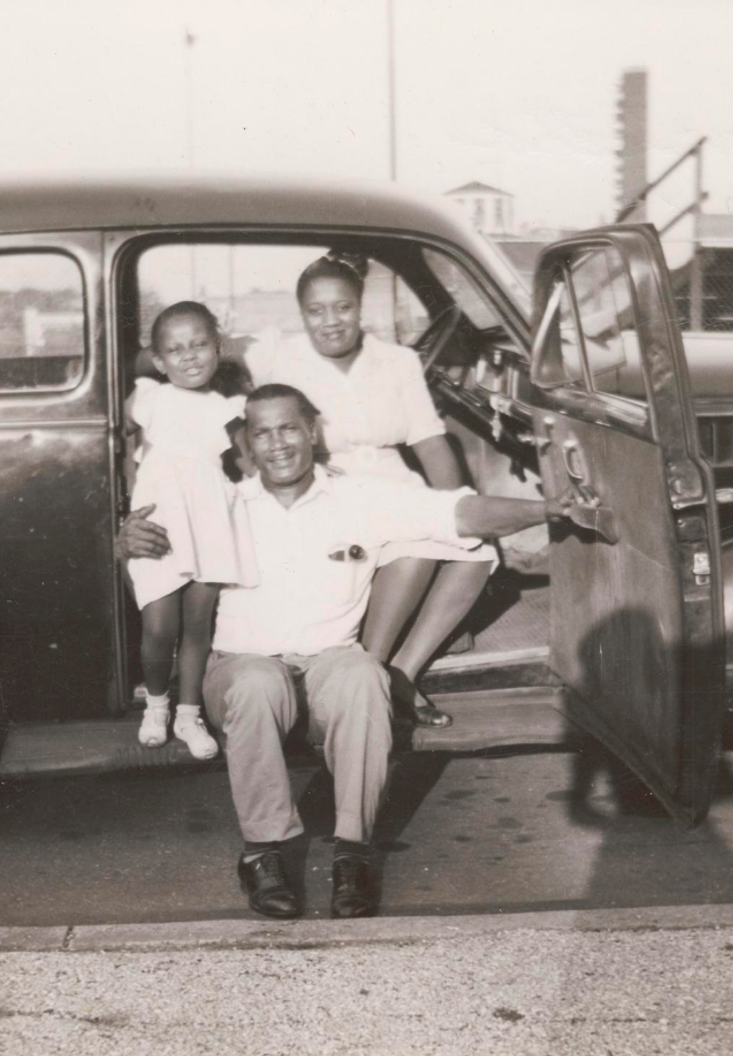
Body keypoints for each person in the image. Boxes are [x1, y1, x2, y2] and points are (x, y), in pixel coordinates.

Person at [117, 383, 552, 920]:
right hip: (241, 665)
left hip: (328, 660)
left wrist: (549, 509)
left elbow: (462, 514)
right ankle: (263, 852)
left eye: (289, 428)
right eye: (262, 433)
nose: (278, 444)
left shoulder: (360, 496)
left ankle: (353, 853)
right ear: (246, 446)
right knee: (256, 683)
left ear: (312, 431)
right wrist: (127, 541)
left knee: (364, 675)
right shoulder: (221, 503)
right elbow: (147, 555)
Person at [239, 252, 497, 728]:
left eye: (342, 308)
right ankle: (367, 677)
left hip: (393, 480)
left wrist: (461, 505)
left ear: (361, 308)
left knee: (478, 550)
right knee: (413, 552)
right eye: (316, 311)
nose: (330, 322)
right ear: (301, 315)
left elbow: (429, 439)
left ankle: (401, 670)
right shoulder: (279, 358)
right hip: (325, 488)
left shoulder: (397, 361)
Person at [125, 301, 257, 760]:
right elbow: (131, 457)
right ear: (159, 361)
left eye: (200, 345)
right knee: (159, 625)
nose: (189, 357)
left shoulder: (227, 408)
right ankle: (155, 706)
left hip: (207, 520)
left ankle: (188, 714)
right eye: (175, 350)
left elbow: (245, 466)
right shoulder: (149, 397)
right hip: (159, 520)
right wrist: (131, 510)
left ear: (217, 349)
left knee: (198, 626)